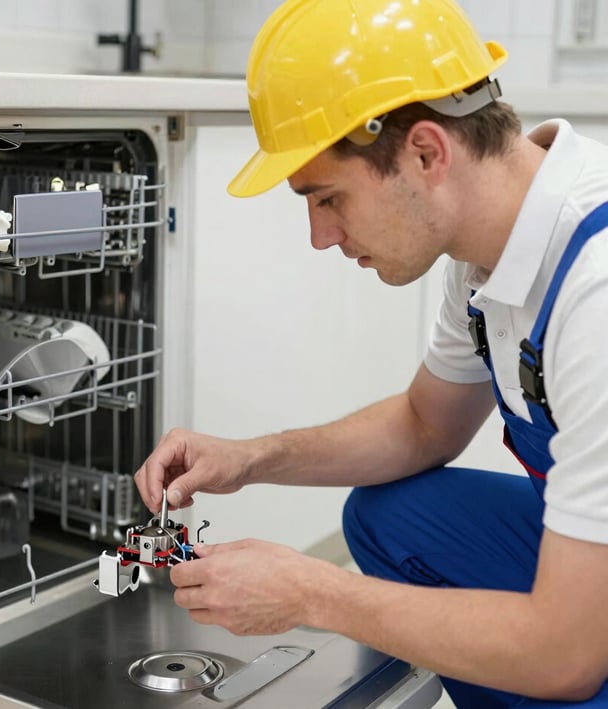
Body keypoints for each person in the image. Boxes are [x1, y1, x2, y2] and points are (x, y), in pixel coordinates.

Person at [134, 1, 608, 707]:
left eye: (328, 198)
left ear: (425, 152)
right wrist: (249, 457)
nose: (321, 236)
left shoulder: (595, 288)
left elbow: (565, 653)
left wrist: (311, 592)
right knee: (391, 517)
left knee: (549, 653)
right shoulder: (484, 254)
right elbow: (425, 425)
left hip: (579, 634)